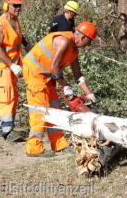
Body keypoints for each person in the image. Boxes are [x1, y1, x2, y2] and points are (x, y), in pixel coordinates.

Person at [23, 21, 97, 157]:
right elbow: (54, 70)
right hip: (34, 72)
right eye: (89, 42)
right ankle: (34, 149)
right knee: (40, 109)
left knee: (54, 108)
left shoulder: (74, 51)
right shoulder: (63, 41)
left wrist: (90, 94)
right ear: (83, 37)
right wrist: (66, 86)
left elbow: (78, 75)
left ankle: (59, 145)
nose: (88, 45)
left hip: (47, 75)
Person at [0, 0, 31, 142]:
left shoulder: (15, 20)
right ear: (7, 6)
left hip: (12, 66)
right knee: (5, 97)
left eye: (20, 5)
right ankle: (7, 132)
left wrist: (28, 46)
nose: (18, 8)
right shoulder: (0, 25)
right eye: (15, 5)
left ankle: (4, 126)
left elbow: (19, 36)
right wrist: (12, 65)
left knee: (13, 96)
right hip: (2, 67)